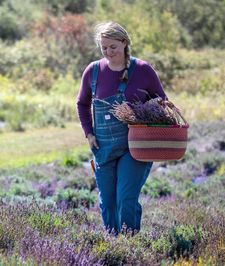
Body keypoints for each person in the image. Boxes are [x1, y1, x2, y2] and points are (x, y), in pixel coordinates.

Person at [76, 21, 167, 235]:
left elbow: (162, 101)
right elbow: (82, 104)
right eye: (104, 48)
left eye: (113, 47)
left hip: (135, 146)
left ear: (124, 43)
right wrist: (89, 134)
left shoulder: (143, 70)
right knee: (108, 201)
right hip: (104, 147)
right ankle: (114, 244)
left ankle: (130, 244)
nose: (108, 52)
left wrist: (140, 110)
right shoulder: (93, 72)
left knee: (125, 198)